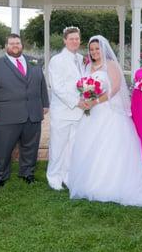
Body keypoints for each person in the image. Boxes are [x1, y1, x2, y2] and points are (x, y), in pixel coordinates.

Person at [67, 35, 142, 208]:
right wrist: (84, 99)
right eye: (91, 50)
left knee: (110, 146)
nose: (94, 52)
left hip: (109, 110)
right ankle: (90, 180)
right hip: (92, 112)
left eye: (97, 49)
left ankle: (111, 183)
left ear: (103, 49)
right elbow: (83, 86)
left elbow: (115, 88)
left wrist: (96, 101)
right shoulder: (87, 66)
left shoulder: (111, 65)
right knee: (90, 144)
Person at [0, 34, 49, 189]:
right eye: (11, 43)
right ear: (6, 45)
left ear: (21, 45)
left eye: (17, 43)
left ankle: (27, 173)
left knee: (30, 147)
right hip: (7, 115)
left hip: (32, 113)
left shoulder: (34, 62)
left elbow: (41, 84)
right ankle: (0, 177)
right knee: (3, 148)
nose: (15, 45)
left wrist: (45, 103)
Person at [46, 26, 86, 191]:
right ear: (65, 41)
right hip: (63, 111)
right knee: (58, 146)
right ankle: (53, 177)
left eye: (77, 39)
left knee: (72, 147)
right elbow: (58, 87)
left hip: (79, 113)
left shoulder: (82, 59)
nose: (74, 41)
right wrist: (77, 102)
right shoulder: (57, 60)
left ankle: (67, 176)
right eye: (71, 39)